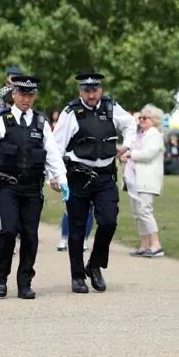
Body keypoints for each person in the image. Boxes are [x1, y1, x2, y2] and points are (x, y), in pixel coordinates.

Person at [0, 75, 68, 299]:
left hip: (32, 189)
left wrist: (61, 178)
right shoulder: (1, 120)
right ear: (13, 95)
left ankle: (25, 281)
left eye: (30, 95)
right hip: (8, 186)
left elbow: (53, 154)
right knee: (8, 230)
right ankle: (1, 276)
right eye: (22, 94)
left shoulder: (40, 122)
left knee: (30, 235)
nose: (26, 99)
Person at [52, 73, 136, 294]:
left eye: (95, 90)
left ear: (101, 89)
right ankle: (77, 276)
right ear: (80, 91)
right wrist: (54, 175)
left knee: (108, 222)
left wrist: (126, 145)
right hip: (78, 176)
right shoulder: (70, 112)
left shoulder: (111, 108)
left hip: (105, 176)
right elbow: (56, 146)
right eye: (87, 90)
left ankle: (95, 265)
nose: (91, 94)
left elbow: (130, 125)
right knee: (77, 228)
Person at [124, 104, 166, 257]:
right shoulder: (140, 134)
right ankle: (144, 245)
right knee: (137, 213)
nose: (141, 120)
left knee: (145, 211)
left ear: (154, 120)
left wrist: (129, 155)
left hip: (147, 180)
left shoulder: (155, 135)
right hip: (135, 180)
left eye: (145, 118)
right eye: (140, 117)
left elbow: (147, 154)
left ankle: (156, 244)